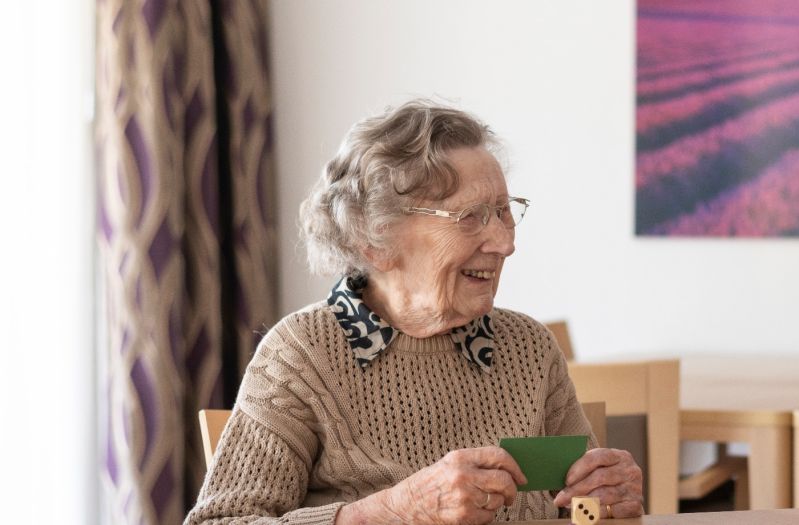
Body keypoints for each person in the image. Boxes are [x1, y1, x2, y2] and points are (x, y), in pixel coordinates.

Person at [186, 100, 643, 524]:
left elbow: (581, 508)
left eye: (504, 211)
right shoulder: (301, 357)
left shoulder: (528, 347)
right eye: (470, 217)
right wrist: (395, 509)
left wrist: (609, 499)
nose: (506, 243)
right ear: (375, 240)